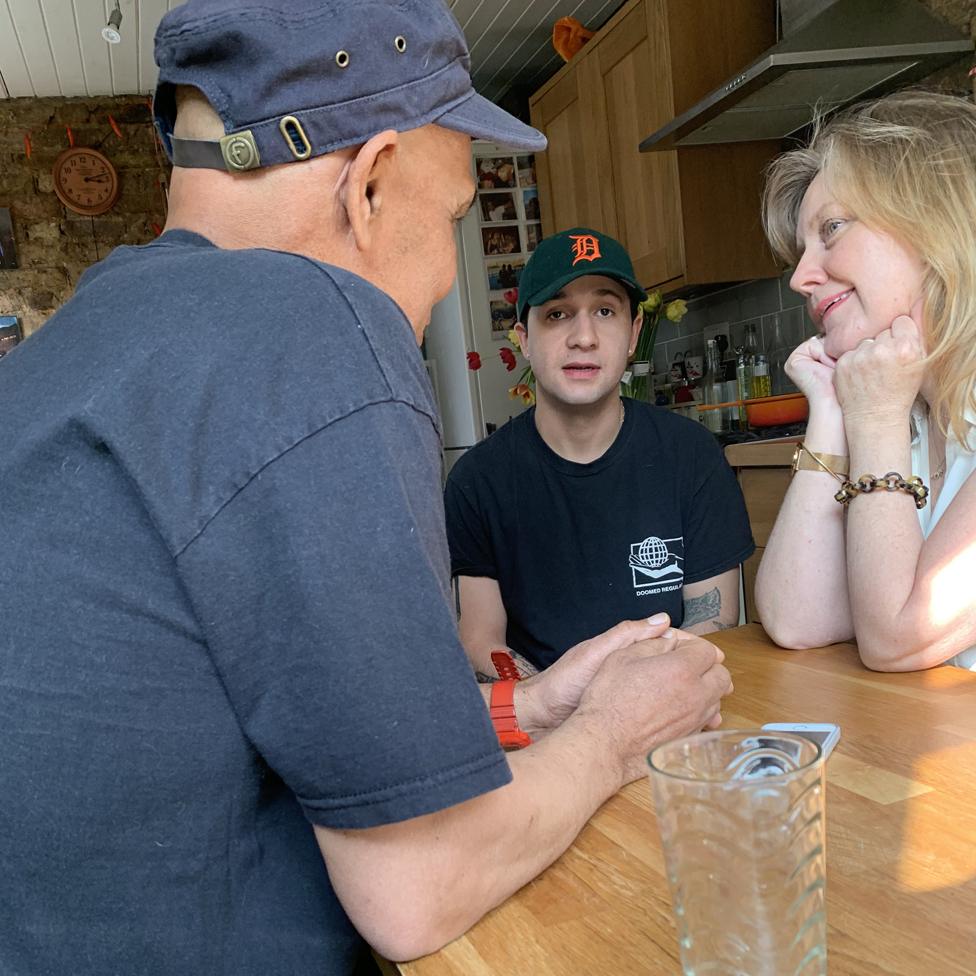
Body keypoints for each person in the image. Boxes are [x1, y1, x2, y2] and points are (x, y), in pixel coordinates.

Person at [0, 3, 733, 975]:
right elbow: (416, 881)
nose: (438, 281)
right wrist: (615, 733)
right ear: (371, 185)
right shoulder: (310, 322)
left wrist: (540, 706)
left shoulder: (68, 351)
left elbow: (273, 717)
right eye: (453, 219)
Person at [445, 227, 755, 678]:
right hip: (545, 722)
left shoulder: (691, 455)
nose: (584, 337)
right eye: (557, 314)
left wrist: (637, 699)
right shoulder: (477, 481)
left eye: (605, 310)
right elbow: (481, 641)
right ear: (524, 338)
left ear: (633, 333)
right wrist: (559, 699)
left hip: (668, 701)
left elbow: (714, 621)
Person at [755, 90, 976, 672]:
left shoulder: (886, 416)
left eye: (832, 228)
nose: (801, 277)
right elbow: (798, 619)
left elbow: (898, 636)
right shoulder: (910, 415)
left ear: (937, 224)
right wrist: (831, 410)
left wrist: (873, 422)